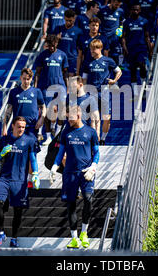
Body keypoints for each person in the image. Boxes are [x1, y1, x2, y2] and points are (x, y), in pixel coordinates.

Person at [50, 105, 100, 249]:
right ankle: (74, 238)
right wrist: (55, 166)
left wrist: (94, 166)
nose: (68, 120)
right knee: (70, 205)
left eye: (70, 118)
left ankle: (84, 233)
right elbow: (61, 152)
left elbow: (96, 152)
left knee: (88, 199)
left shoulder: (90, 132)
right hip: (69, 173)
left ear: (78, 116)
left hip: (86, 172)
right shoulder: (66, 131)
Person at [0, 116, 39, 248]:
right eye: (19, 126)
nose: (21, 129)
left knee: (18, 211)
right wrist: (1, 154)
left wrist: (35, 173)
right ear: (13, 126)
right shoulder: (4, 139)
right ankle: (1, 233)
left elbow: (33, 159)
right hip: (5, 178)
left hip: (20, 180)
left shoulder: (29, 140)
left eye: (23, 127)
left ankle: (14, 238)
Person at [2, 68, 46, 188]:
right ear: (20, 77)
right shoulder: (13, 92)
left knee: (32, 153)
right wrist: (4, 126)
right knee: (16, 152)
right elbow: (8, 111)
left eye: (28, 79)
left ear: (31, 79)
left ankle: (32, 178)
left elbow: (43, 106)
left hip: (31, 128)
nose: (26, 81)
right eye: (24, 78)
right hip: (17, 128)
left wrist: (42, 118)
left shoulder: (36, 91)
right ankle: (14, 177)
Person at [81, 39, 122, 145]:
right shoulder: (87, 62)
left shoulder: (108, 61)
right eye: (91, 49)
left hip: (104, 91)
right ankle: (95, 138)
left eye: (94, 49)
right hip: (92, 91)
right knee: (94, 117)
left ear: (100, 48)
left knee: (106, 117)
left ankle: (103, 138)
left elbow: (119, 71)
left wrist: (114, 80)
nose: (92, 51)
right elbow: (84, 78)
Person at [34, 34, 68, 146]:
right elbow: (37, 73)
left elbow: (65, 72)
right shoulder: (42, 55)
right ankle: (48, 137)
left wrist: (67, 87)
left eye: (53, 46)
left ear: (57, 44)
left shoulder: (62, 55)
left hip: (60, 86)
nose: (51, 48)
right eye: (49, 46)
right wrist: (35, 87)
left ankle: (58, 133)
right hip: (45, 87)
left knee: (62, 110)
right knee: (47, 112)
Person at [122, 4, 152, 100]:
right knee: (133, 70)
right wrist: (124, 47)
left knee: (142, 64)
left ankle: (143, 88)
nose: (135, 11)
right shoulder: (126, 22)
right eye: (134, 9)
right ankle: (135, 93)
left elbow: (147, 36)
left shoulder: (144, 21)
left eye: (137, 10)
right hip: (131, 49)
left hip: (141, 48)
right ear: (131, 10)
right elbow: (123, 37)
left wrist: (150, 49)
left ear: (140, 11)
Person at [53, 9, 84, 77]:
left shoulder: (78, 31)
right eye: (66, 20)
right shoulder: (58, 29)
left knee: (71, 80)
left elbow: (80, 49)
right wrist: (56, 38)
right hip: (60, 58)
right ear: (64, 18)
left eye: (70, 21)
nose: (68, 22)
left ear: (74, 18)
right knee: (59, 78)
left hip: (72, 59)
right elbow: (51, 45)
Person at [97, 0, 125, 66]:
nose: (117, 6)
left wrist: (119, 35)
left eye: (119, 5)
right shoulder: (102, 9)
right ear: (112, 2)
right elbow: (97, 21)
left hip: (114, 38)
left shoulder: (120, 11)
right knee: (103, 57)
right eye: (116, 4)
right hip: (104, 37)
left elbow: (121, 23)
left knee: (115, 58)